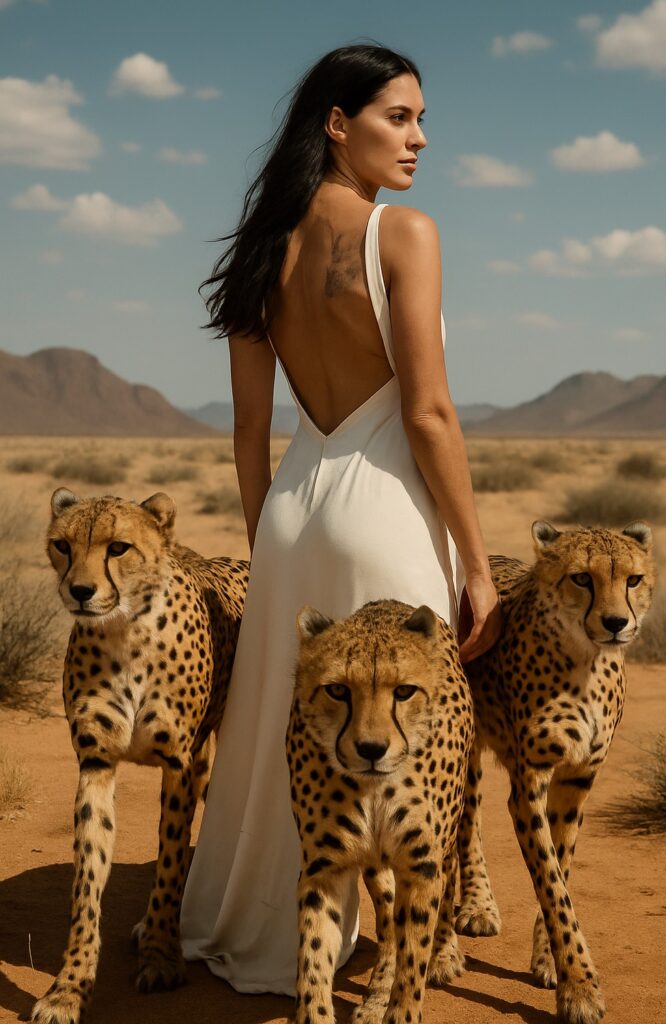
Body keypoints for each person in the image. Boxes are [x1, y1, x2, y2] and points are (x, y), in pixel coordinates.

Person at [179, 43, 502, 996]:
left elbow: (248, 430)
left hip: (290, 506)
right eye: (398, 117)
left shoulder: (259, 248)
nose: (419, 138)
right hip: (386, 509)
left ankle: (247, 925)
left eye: (419, 119)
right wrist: (478, 565)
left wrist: (262, 543)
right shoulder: (404, 233)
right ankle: (398, 956)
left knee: (284, 724)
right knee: (401, 741)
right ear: (336, 122)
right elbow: (428, 413)